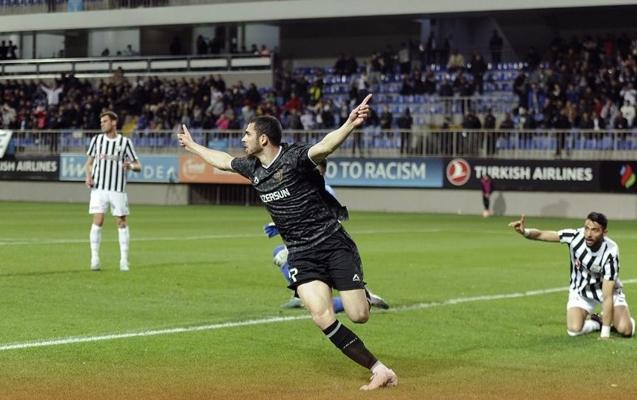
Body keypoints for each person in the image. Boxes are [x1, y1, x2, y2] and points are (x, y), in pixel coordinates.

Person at [178, 94, 398, 390]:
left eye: (247, 134)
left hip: (332, 243)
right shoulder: (252, 167)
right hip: (301, 253)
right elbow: (223, 161)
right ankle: (379, 369)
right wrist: (192, 145)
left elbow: (325, 146)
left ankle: (365, 297)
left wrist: (349, 124)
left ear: (264, 139)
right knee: (321, 316)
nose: (242, 139)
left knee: (359, 315)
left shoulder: (294, 158)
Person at [265, 160, 390, 311]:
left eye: (316, 170)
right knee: (280, 253)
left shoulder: (323, 190)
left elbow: (320, 220)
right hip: (309, 244)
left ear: (323, 172)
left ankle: (363, 299)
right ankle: (302, 294)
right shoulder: (299, 187)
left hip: (325, 245)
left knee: (323, 300)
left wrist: (288, 248)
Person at [508, 212, 635, 339]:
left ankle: (622, 321)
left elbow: (607, 296)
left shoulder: (611, 251)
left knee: (626, 330)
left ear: (604, 233)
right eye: (586, 228)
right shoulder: (575, 236)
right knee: (574, 330)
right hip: (581, 291)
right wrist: (525, 232)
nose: (589, 234)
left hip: (608, 292)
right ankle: (597, 322)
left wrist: (605, 334)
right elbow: (542, 234)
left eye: (595, 230)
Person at [84, 111, 141, 272]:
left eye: (105, 121)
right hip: (99, 188)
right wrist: (88, 177)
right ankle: (95, 258)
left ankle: (124, 260)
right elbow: (89, 163)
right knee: (98, 220)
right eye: (101, 121)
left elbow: (138, 166)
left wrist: (130, 166)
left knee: (121, 222)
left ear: (114, 122)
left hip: (117, 189)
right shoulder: (97, 140)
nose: (102, 124)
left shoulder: (125, 142)